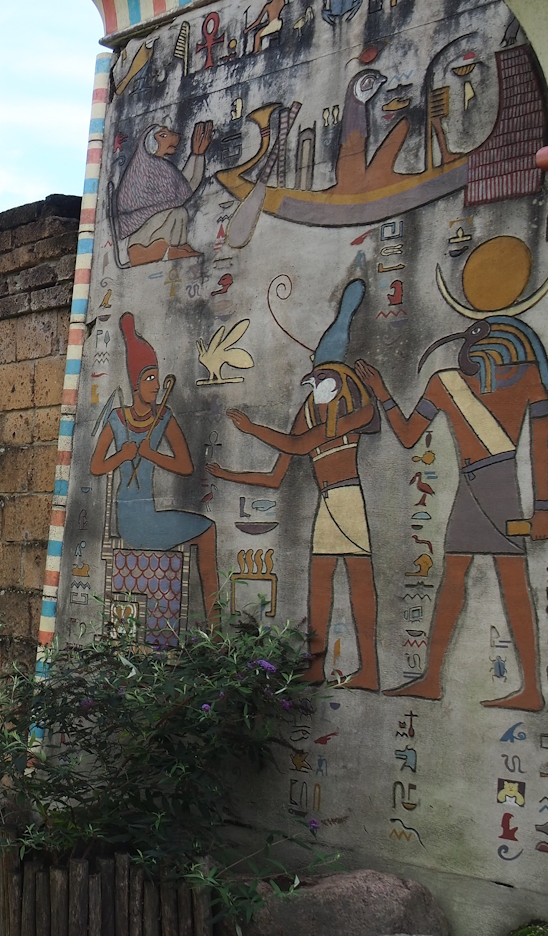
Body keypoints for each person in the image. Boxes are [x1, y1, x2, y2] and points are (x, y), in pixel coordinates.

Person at [356, 312, 548, 710]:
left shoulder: (524, 378)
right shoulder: (446, 382)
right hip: (473, 485)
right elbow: (411, 436)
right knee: (455, 579)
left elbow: (539, 446)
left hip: (499, 488)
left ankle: (530, 688)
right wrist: (383, 393)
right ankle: (431, 678)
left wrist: (544, 508)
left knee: (511, 580)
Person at [208, 281, 381, 686]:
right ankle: (317, 666)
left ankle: (370, 670)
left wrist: (252, 429)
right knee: (319, 581)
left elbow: (299, 444)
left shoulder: (355, 410)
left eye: (322, 377)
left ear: (338, 379)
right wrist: (226, 474)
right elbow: (274, 475)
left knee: (357, 581)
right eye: (314, 378)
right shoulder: (311, 413)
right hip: (328, 504)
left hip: (348, 500)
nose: (314, 385)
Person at [90, 312, 219, 620]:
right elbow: (96, 466)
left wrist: (150, 454)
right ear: (136, 383)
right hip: (132, 517)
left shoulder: (163, 417)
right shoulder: (118, 418)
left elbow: (185, 465)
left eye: (157, 378)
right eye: (149, 378)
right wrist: (123, 455)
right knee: (207, 531)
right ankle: (214, 626)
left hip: (151, 513)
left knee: (208, 529)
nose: (156, 385)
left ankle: (215, 624)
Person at [114, 121, 213, 266]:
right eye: (163, 136)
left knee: (180, 212)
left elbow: (183, 188)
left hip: (153, 226)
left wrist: (197, 155)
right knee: (176, 212)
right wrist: (197, 155)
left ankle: (178, 246)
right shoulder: (147, 167)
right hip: (142, 237)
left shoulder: (159, 165)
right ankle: (171, 248)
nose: (172, 137)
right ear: (151, 144)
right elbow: (184, 191)